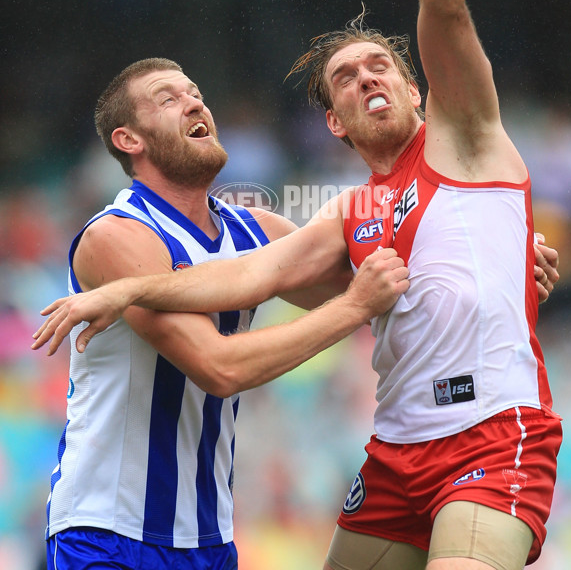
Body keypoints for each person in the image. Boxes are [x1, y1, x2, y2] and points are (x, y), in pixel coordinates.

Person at [34, 0, 562, 568]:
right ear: (334, 123)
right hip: (371, 458)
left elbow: (444, 4)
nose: (367, 75)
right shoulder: (341, 215)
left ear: (419, 90)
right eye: (345, 76)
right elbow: (252, 293)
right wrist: (124, 289)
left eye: (383, 64)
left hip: (491, 433)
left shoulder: (466, 139)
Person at [35, 55, 409, 570]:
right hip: (109, 533)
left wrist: (517, 257)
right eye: (168, 98)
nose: (194, 101)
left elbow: (399, 284)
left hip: (208, 540)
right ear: (129, 140)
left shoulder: (257, 231)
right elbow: (219, 368)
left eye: (195, 92)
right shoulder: (115, 235)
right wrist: (353, 306)